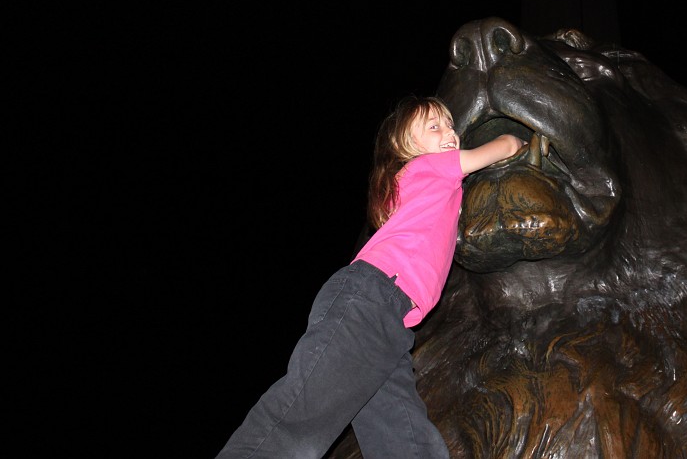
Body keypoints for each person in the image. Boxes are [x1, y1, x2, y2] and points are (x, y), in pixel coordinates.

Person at [217, 95, 526, 459]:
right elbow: (500, 148)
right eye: (434, 126)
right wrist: (518, 141)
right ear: (405, 146)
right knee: (301, 416)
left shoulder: (425, 185)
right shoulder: (430, 168)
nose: (450, 133)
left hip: (389, 318)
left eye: (450, 125)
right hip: (370, 297)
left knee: (404, 439)